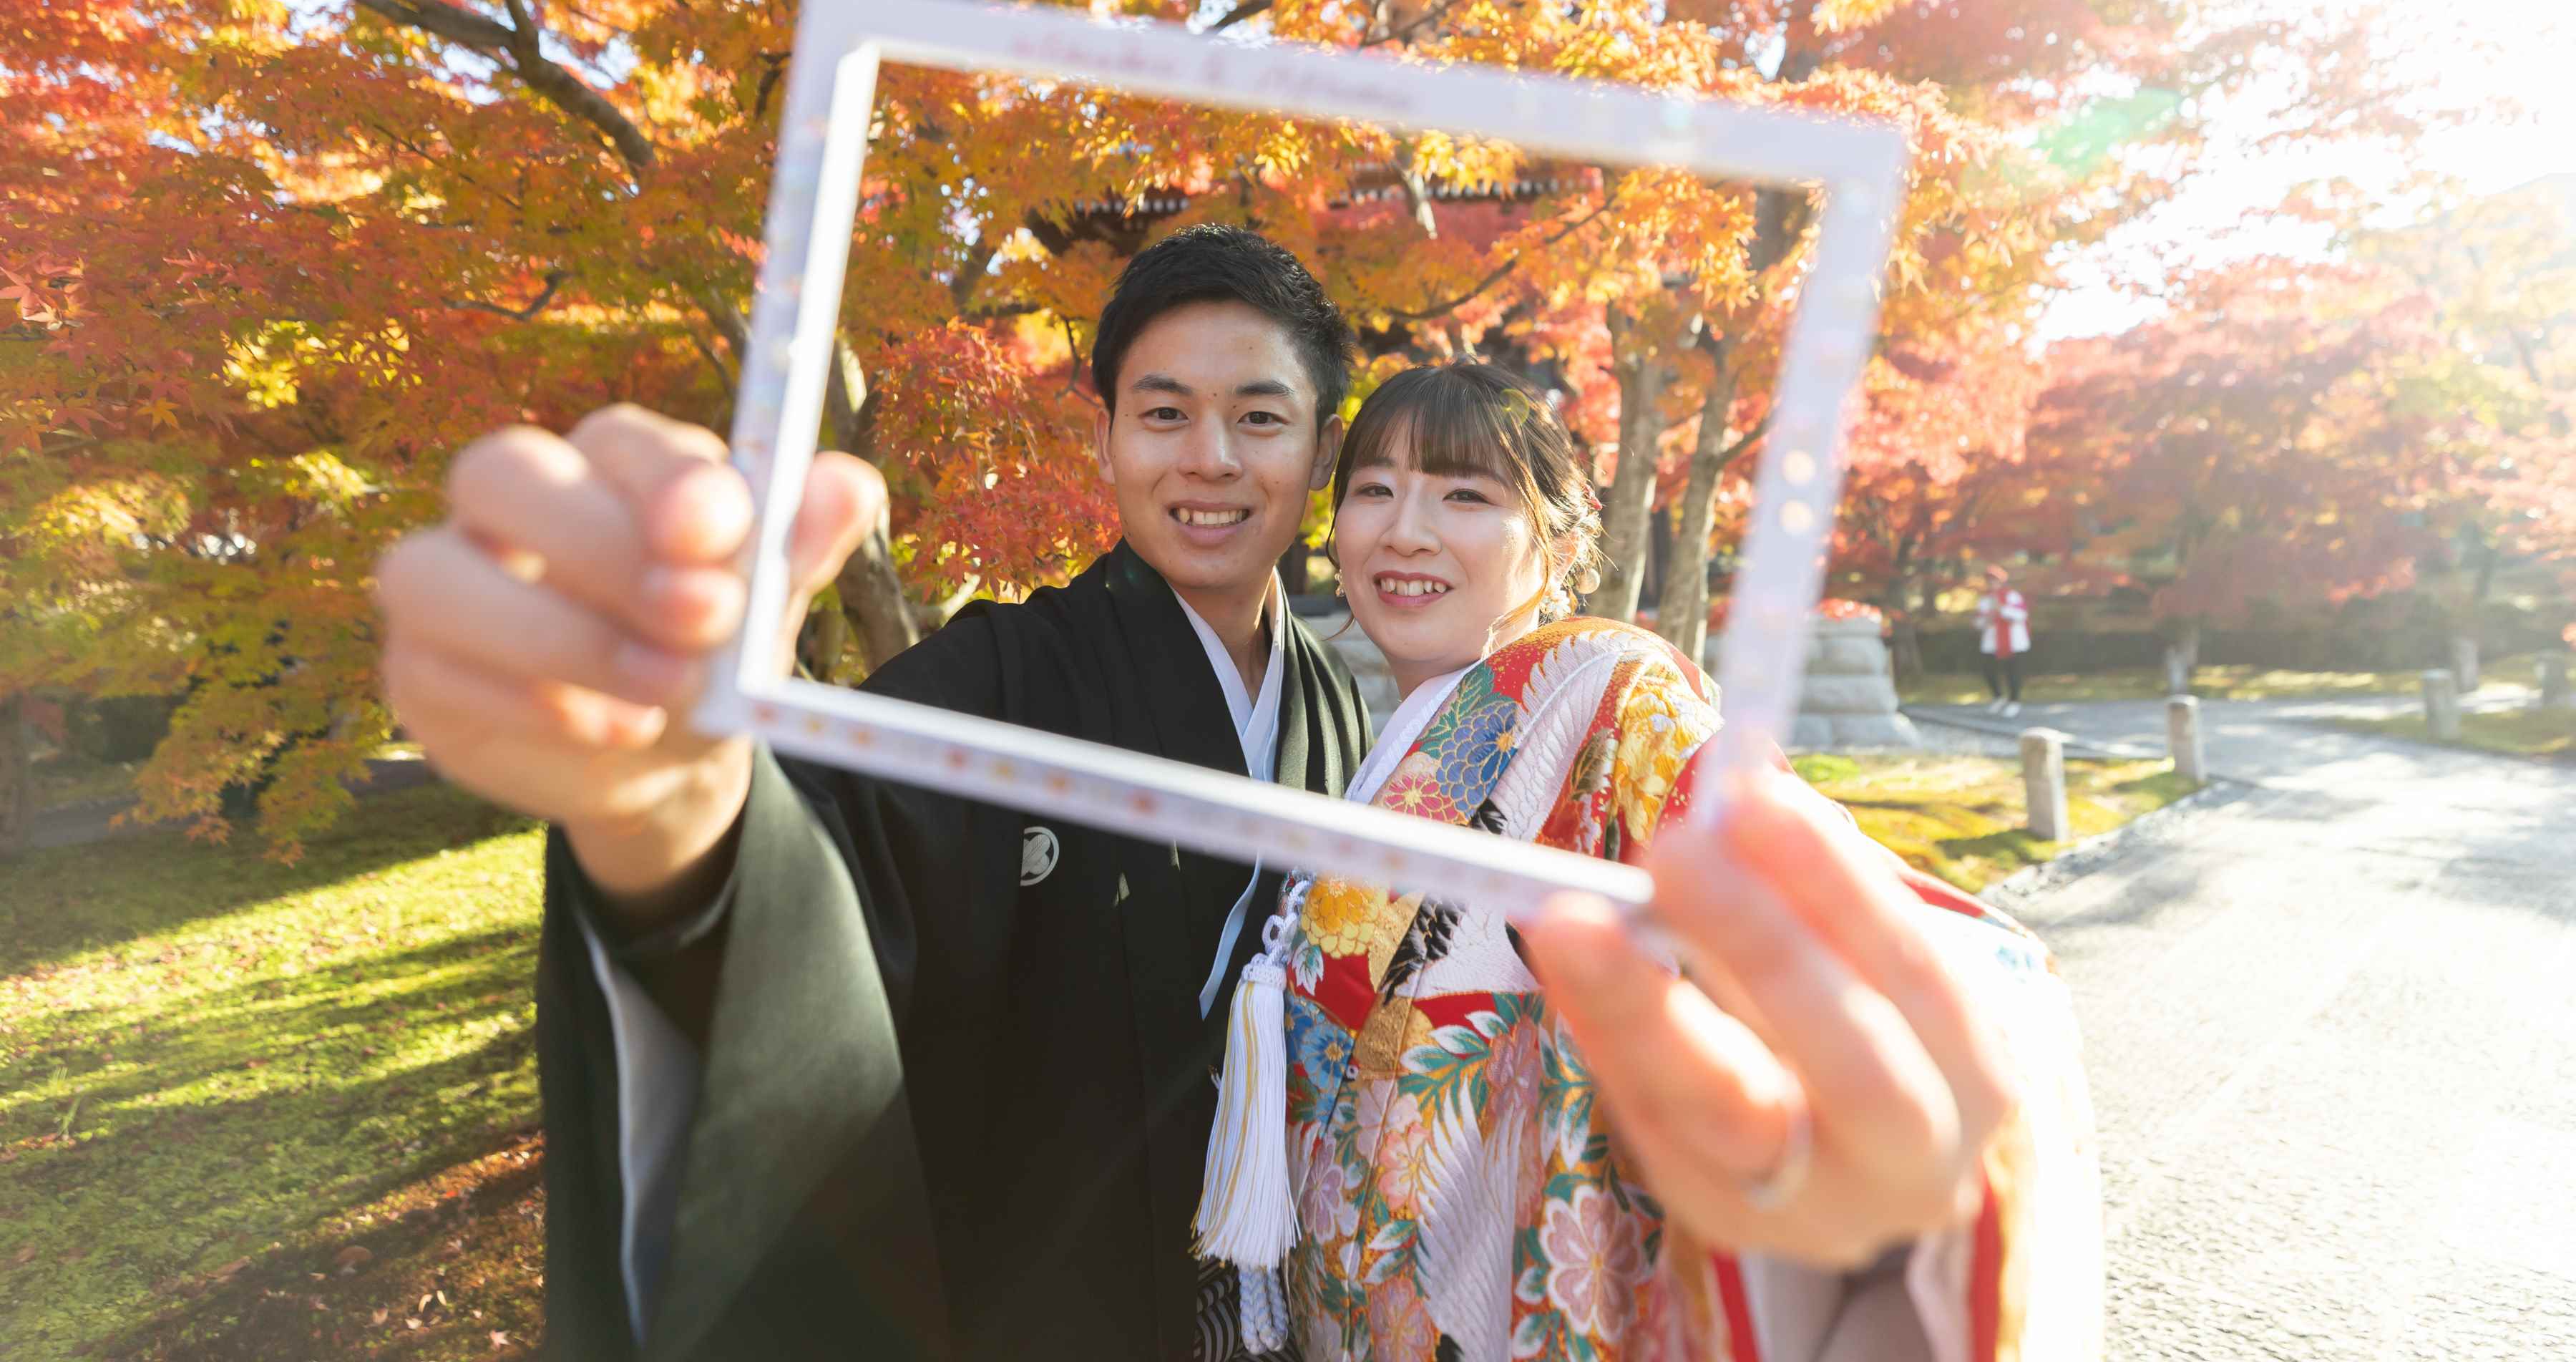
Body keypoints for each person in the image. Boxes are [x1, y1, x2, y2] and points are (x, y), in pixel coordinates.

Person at [378, 229, 2062, 1361]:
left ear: (1306, 451)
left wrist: (1873, 1088)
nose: (1209, 458)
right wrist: (669, 799)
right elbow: (800, 844)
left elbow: (1754, 868)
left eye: (1261, 417)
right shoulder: (1006, 686)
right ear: (1104, 438)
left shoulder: (1448, 701)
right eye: (1159, 411)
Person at [1195, 366, 2102, 1361]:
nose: (1404, 529)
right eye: (1374, 489)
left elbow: (1792, 870)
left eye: (1466, 495)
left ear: (1556, 545)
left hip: (1503, 1301)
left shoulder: (1606, 690)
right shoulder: (1381, 745)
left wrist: (1907, 1034)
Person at [1975, 565, 2030, 716]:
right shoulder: (1985, 600)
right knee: (1988, 670)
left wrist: (2002, 610)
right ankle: (1998, 697)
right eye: (1989, 581)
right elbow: (1978, 622)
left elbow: (2022, 615)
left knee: (2013, 672)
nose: (1992, 584)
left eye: (1995, 581)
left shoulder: (2013, 596)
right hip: (1991, 642)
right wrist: (1986, 620)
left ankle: (2014, 701)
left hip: (2014, 642)